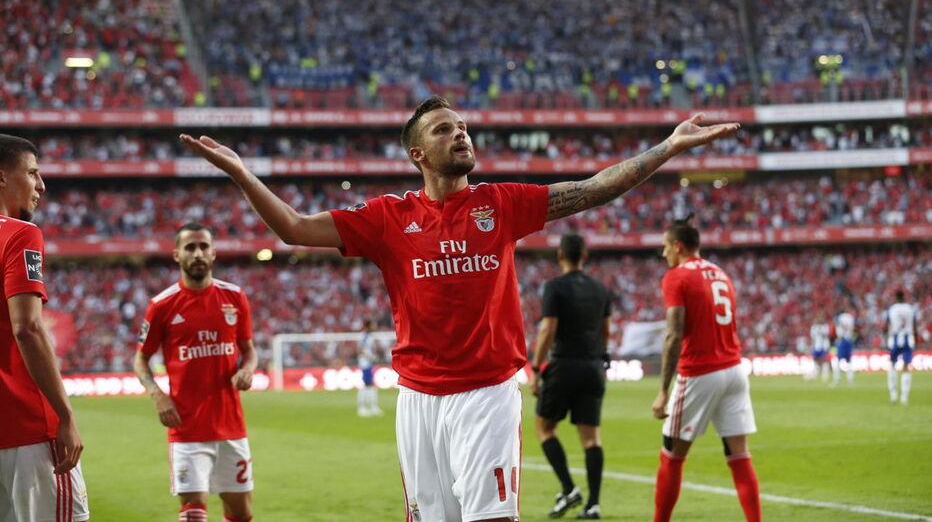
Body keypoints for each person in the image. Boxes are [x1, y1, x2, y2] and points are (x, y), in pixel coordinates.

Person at [181, 95, 738, 522]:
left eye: (463, 126)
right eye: (444, 129)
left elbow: (592, 188)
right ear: (418, 153)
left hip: (486, 392)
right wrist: (242, 174)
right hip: (418, 399)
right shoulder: (387, 218)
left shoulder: (502, 203)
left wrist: (666, 148)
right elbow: (294, 228)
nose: (461, 134)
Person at [134, 223, 258, 522]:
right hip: (187, 429)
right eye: (190, 247)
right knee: (193, 514)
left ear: (214, 253)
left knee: (241, 514)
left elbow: (250, 351)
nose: (198, 253)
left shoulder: (235, 297)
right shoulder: (161, 306)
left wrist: (248, 369)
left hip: (231, 427)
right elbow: (140, 361)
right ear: (177, 255)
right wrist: (157, 395)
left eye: (204, 247)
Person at [0, 134, 90, 521]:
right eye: (33, 173)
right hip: (28, 428)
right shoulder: (20, 233)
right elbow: (29, 329)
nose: (41, 185)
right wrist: (66, 416)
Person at [651, 217, 761, 522]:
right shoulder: (720, 273)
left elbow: (674, 333)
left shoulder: (677, 276)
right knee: (739, 456)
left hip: (700, 372)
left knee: (672, 454)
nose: (663, 255)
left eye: (664, 247)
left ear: (678, 245)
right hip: (735, 370)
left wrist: (662, 391)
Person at [529, 234, 611, 520]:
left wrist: (537, 367)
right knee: (591, 439)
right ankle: (594, 504)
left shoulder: (555, 287)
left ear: (560, 256)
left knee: (545, 428)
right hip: (593, 367)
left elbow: (548, 329)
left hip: (564, 366)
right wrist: (603, 354)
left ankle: (568, 488)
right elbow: (605, 328)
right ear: (584, 256)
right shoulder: (601, 288)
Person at [884, 290, 919, 405]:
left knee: (893, 364)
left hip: (895, 338)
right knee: (906, 366)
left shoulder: (892, 309)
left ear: (895, 297)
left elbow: (885, 326)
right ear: (904, 296)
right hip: (908, 338)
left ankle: (893, 395)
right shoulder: (910, 309)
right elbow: (914, 326)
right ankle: (904, 397)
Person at [357, 319, 384, 417]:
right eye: (372, 326)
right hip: (365, 363)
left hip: (369, 363)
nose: (374, 327)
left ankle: (371, 407)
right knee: (368, 384)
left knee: (369, 384)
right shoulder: (363, 337)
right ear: (368, 326)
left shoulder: (369, 337)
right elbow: (360, 350)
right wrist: (370, 356)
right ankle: (363, 407)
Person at [832, 307, 857, 386]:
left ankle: (837, 380)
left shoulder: (839, 317)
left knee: (838, 360)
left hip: (842, 340)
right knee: (849, 360)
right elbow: (853, 328)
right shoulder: (850, 317)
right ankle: (850, 379)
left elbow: (837, 324)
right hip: (849, 340)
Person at [806, 313, 832, 382]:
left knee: (825, 361)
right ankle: (815, 375)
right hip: (817, 346)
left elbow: (827, 335)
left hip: (824, 346)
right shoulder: (814, 327)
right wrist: (811, 347)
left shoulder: (825, 326)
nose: (820, 319)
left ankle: (825, 376)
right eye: (819, 318)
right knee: (815, 360)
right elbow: (813, 338)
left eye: (821, 318)